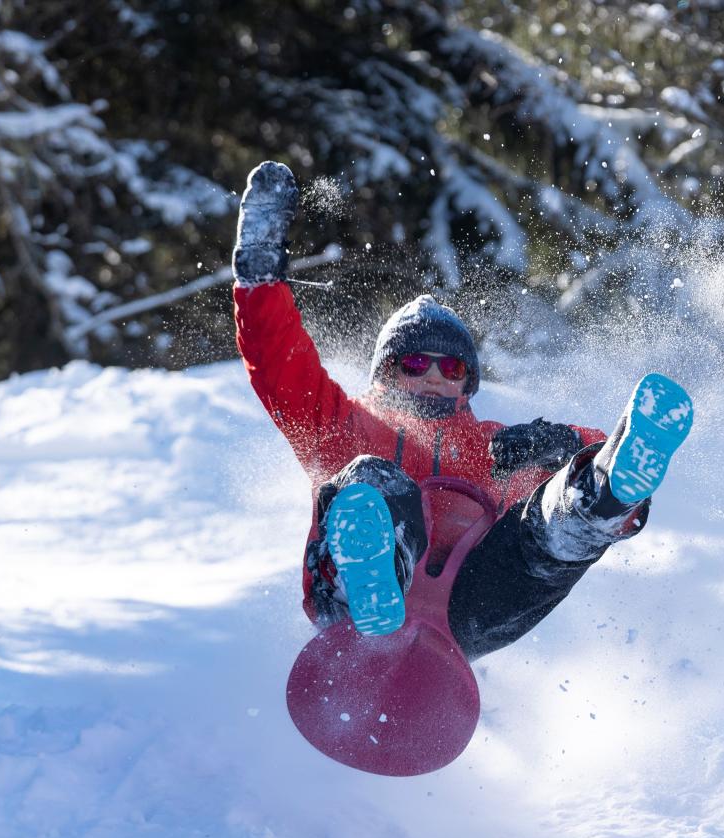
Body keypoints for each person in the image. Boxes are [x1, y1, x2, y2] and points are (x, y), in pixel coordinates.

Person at [230, 161, 692, 660]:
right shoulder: (343, 427)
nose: (433, 375)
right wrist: (259, 275)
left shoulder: (492, 449)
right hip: (349, 615)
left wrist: (562, 445)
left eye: (450, 368)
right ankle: (369, 581)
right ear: (385, 372)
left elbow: (569, 466)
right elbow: (277, 363)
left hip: (467, 615)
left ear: (467, 383)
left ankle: (603, 500)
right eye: (414, 361)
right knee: (371, 479)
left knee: (541, 530)